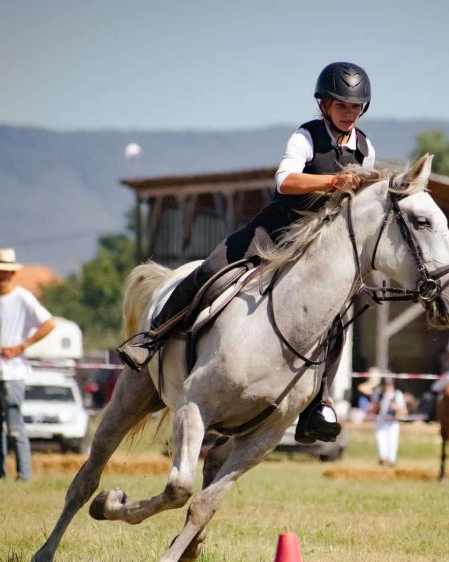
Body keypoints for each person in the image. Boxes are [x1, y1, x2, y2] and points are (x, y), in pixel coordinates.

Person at [126, 62, 376, 445]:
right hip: (275, 230)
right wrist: (333, 180)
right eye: (341, 104)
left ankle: (319, 403)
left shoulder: (365, 149)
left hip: (317, 248)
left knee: (338, 316)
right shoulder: (306, 136)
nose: (348, 112)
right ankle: (152, 340)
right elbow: (286, 181)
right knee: (209, 270)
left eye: (355, 107)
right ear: (324, 104)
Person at [0, 248, 55, 481]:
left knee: (15, 425)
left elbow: (48, 324)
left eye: (5, 272)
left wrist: (21, 346)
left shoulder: (23, 297)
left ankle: (23, 474)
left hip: (14, 371)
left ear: (12, 274)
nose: (1, 276)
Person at [366, 372, 407, 466]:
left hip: (392, 423)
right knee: (381, 445)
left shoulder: (397, 394)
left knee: (392, 445)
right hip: (381, 421)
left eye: (388, 385)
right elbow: (374, 408)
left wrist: (396, 408)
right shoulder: (378, 394)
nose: (387, 387)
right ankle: (382, 462)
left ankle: (391, 464)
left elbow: (404, 411)